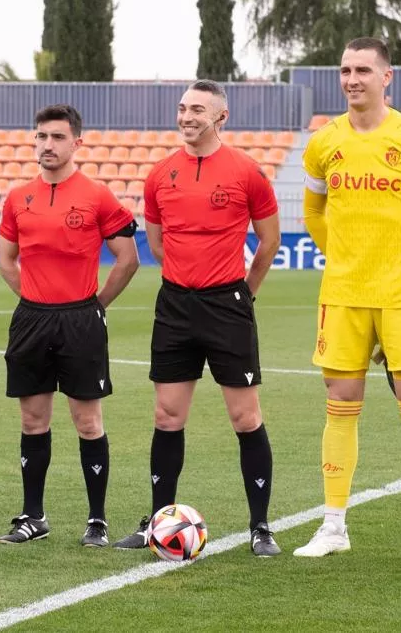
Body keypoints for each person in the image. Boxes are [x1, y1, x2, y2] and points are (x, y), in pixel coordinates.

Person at [294, 37, 401, 565]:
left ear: (386, 77)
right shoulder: (323, 142)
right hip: (343, 294)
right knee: (340, 406)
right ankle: (333, 525)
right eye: (345, 70)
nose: (352, 79)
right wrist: (341, 257)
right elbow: (314, 213)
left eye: (363, 70)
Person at [112, 79, 283, 557]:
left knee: (245, 416)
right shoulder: (159, 173)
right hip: (175, 305)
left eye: (198, 110)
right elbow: (160, 241)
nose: (186, 117)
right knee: (167, 415)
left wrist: (243, 293)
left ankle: (261, 527)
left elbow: (268, 241)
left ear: (220, 117)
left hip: (226, 304)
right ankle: (158, 522)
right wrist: (186, 280)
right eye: (183, 108)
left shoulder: (247, 172)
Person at [0, 104, 139, 547]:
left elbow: (128, 259)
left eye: (57, 137)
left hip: (82, 319)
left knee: (87, 421)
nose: (47, 145)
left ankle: (97, 521)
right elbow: (6, 259)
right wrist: (37, 298)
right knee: (33, 419)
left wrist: (95, 305)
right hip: (32, 320)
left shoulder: (97, 195)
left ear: (77, 142)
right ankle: (32, 516)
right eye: (41, 137)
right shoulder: (19, 197)